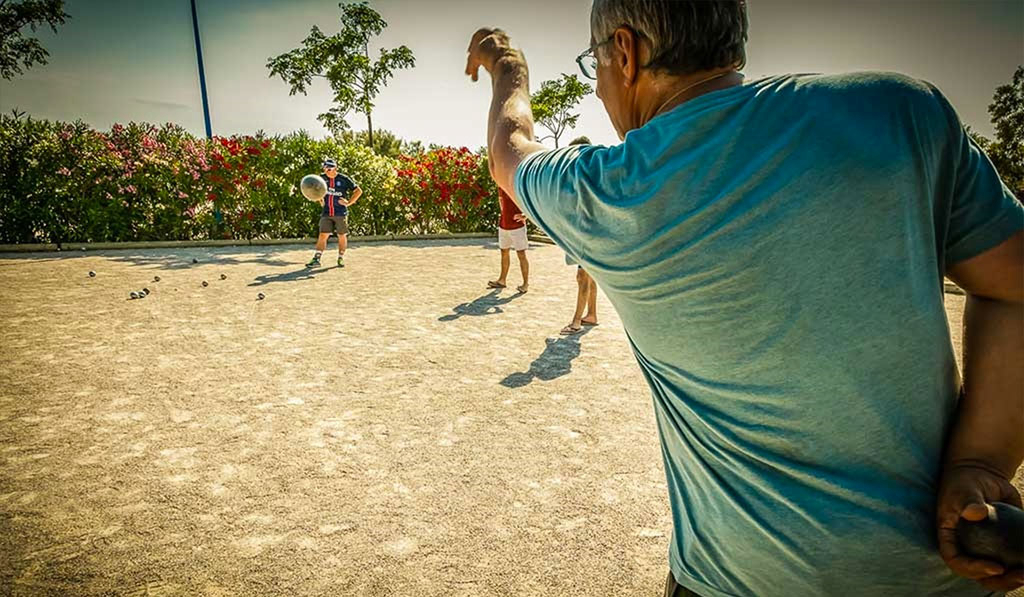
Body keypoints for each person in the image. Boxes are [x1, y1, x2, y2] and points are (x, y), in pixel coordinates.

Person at [464, 1, 1024, 595]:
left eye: (594, 64)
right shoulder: (902, 113)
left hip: (732, 582)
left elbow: (510, 148)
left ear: (625, 53)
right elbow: (1014, 290)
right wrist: (980, 462)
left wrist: (508, 65)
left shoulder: (610, 192)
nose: (599, 88)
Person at [560, 135, 599, 335]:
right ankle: (591, 314)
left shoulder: (587, 175)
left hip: (589, 235)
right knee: (588, 275)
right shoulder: (589, 173)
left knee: (583, 276)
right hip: (589, 234)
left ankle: (576, 322)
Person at [306, 158, 362, 268]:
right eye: (325, 168)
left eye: (329, 168)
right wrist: (318, 198)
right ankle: (317, 259)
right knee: (323, 234)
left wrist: (349, 203)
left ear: (335, 168)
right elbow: (313, 190)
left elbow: (358, 191)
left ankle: (340, 258)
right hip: (326, 212)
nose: (326, 170)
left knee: (342, 235)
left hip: (340, 213)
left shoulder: (344, 179)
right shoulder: (321, 179)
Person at [488, 186, 530, 293]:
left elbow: (529, 201)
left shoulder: (518, 185)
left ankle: (525, 284)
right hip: (504, 225)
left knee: (521, 254)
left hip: (517, 226)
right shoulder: (501, 186)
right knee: (504, 252)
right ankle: (502, 280)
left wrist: (525, 215)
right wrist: (503, 216)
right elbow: (501, 202)